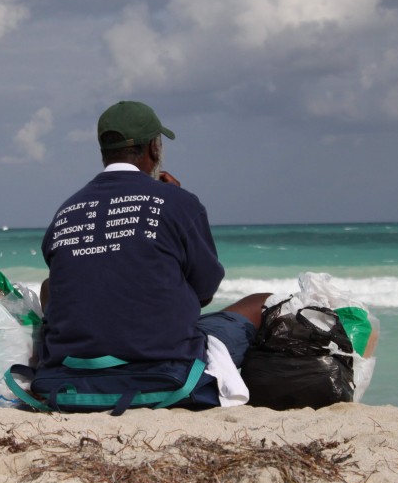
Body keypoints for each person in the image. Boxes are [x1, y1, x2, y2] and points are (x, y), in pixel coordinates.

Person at [38, 101, 269, 404]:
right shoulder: (178, 203)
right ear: (153, 148)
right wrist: (177, 200)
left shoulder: (66, 212)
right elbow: (204, 292)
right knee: (261, 304)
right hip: (164, 372)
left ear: (104, 151)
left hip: (73, 379)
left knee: (48, 286)